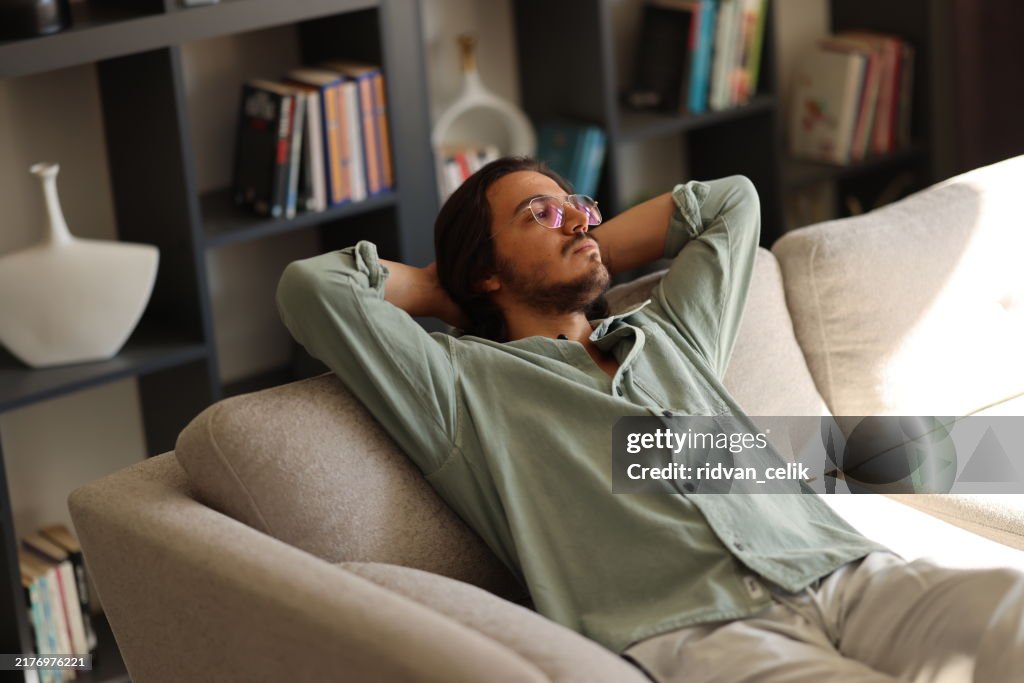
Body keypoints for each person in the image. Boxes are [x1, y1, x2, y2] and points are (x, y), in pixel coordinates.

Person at [275, 156, 1024, 682]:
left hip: (844, 571)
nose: (574, 218)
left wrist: (579, 238)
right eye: (542, 212)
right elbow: (314, 288)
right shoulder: (461, 389)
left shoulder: (671, 335)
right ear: (486, 269)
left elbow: (732, 203)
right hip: (702, 634)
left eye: (581, 207)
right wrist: (448, 287)